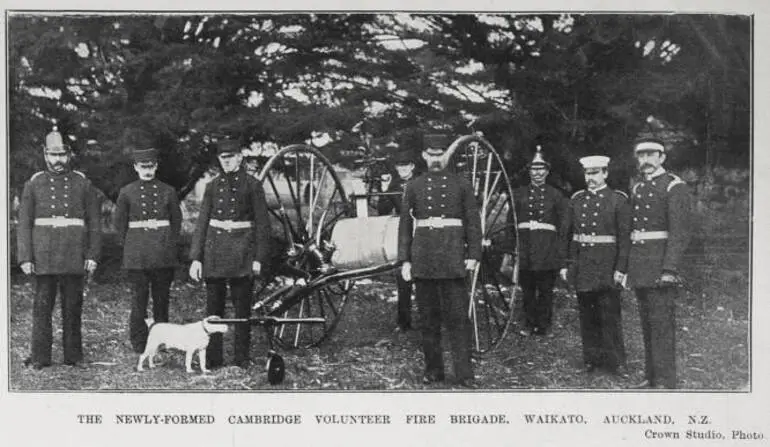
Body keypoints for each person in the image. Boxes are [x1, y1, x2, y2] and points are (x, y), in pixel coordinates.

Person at [398, 133, 482, 387]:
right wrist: (405, 260)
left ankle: (464, 374)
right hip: (424, 260)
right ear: (424, 156)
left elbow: (473, 222)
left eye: (440, 154)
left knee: (458, 320)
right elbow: (405, 226)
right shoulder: (414, 186)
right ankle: (434, 370)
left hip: (453, 258)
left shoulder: (461, 185)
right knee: (428, 320)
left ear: (447, 154)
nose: (436, 159)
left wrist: (473, 255)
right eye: (431, 154)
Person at [17, 126, 101, 369]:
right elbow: (24, 223)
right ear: (45, 155)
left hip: (74, 254)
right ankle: (40, 357)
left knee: (73, 308)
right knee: (42, 309)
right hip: (43, 256)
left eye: (62, 155)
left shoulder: (83, 183)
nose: (58, 160)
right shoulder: (34, 183)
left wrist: (93, 254)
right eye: (53, 155)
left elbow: (94, 223)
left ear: (69, 154)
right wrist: (25, 257)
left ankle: (73, 356)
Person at [189, 139, 271, 369]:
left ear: (239, 157)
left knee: (242, 308)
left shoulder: (252, 185)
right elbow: (202, 223)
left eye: (230, 157)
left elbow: (263, 225)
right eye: (222, 158)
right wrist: (196, 257)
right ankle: (214, 359)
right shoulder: (212, 186)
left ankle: (240, 359)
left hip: (242, 252)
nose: (226, 162)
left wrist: (258, 259)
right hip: (215, 252)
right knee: (213, 309)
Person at [626, 136, 691, 389]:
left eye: (651, 155)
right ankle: (651, 376)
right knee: (646, 322)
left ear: (662, 158)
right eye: (641, 156)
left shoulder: (674, 186)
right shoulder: (639, 188)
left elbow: (679, 233)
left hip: (661, 266)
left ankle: (666, 379)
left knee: (662, 324)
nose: (646, 161)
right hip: (641, 266)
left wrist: (669, 269)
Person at [560, 155, 630, 375]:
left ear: (605, 174)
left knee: (609, 315)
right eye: (587, 174)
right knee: (587, 315)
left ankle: (616, 362)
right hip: (583, 266)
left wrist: (621, 269)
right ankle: (592, 359)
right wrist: (565, 264)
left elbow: (624, 239)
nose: (590, 178)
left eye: (595, 173)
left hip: (607, 266)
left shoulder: (618, 200)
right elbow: (567, 235)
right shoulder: (577, 200)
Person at [114, 147, 182, 353]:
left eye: (151, 166)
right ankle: (139, 342)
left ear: (156, 166)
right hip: (137, 256)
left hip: (162, 253)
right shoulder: (126, 192)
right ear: (136, 167)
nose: (147, 170)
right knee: (139, 301)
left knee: (162, 301)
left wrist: (168, 244)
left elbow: (176, 222)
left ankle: (162, 340)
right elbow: (120, 225)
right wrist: (132, 247)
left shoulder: (168, 191)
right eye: (143, 167)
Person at [513, 146, 569, 336]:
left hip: (547, 249)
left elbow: (563, 228)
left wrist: (560, 254)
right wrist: (511, 250)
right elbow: (510, 224)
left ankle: (544, 325)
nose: (537, 173)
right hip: (525, 247)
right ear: (529, 171)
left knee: (545, 290)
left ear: (547, 171)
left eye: (541, 169)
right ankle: (529, 324)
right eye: (533, 169)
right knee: (527, 289)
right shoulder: (518, 194)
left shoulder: (556, 195)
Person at [378, 146, 417, 332]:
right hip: (403, 231)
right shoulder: (394, 185)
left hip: (422, 228)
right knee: (403, 277)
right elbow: (383, 210)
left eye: (405, 166)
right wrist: (385, 191)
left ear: (412, 166)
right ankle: (404, 322)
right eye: (399, 166)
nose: (402, 169)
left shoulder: (421, 182)